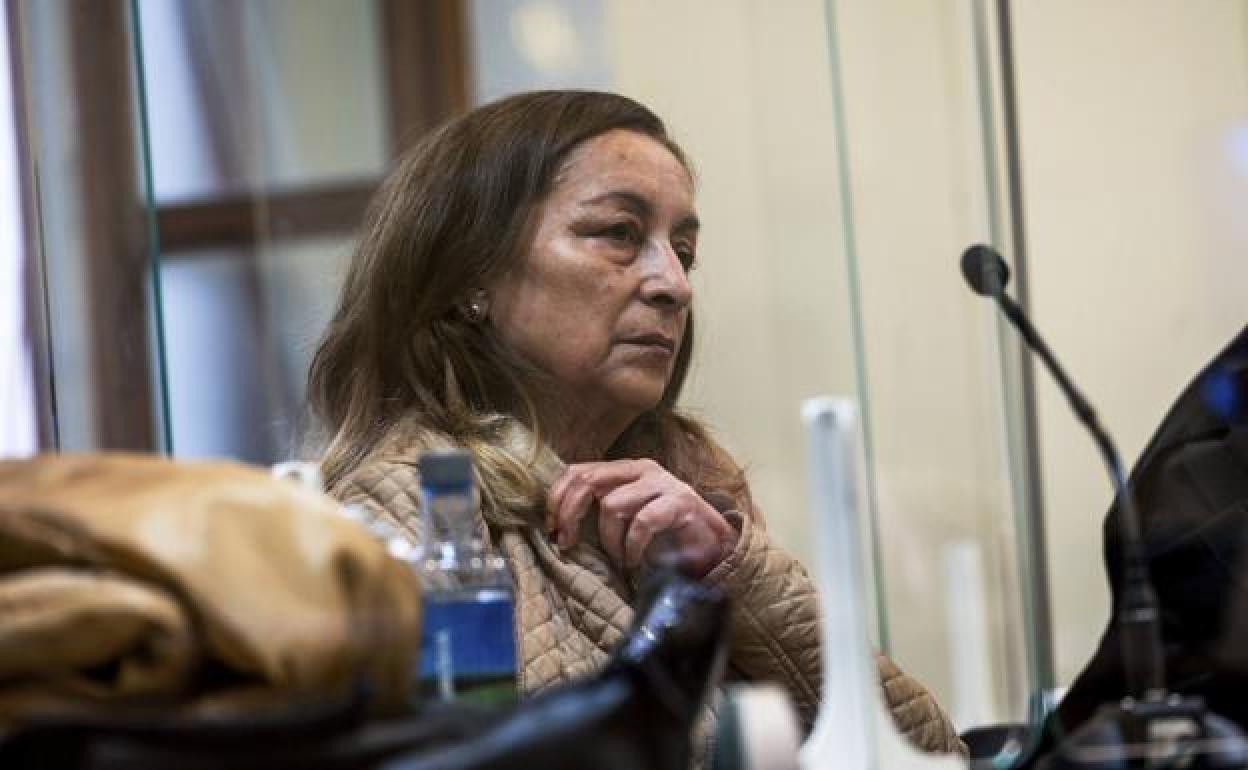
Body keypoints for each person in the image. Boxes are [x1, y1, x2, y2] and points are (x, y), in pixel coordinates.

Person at [306, 89, 964, 757]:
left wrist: (732, 570)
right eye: (619, 234)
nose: (674, 284)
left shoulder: (693, 491)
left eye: (684, 250)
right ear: (470, 276)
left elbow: (933, 756)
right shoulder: (404, 514)